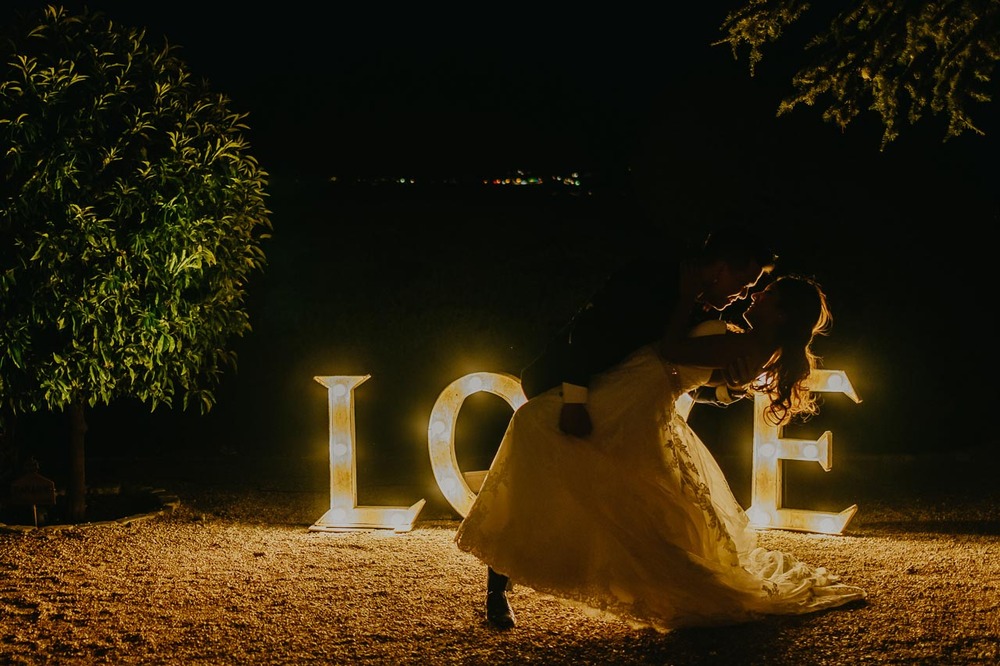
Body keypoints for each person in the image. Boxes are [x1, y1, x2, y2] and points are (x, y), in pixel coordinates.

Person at [455, 273, 867, 631]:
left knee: (541, 440)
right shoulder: (744, 343)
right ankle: (500, 581)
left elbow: (672, 352)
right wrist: (728, 386)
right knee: (549, 450)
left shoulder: (742, 344)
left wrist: (688, 297)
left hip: (631, 404)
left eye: (768, 294)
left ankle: (501, 579)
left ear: (781, 314)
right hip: (629, 395)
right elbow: (706, 380)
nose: (754, 295)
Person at [475, 224, 778, 628]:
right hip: (579, 388)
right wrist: (577, 400)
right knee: (530, 453)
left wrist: (728, 390)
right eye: (747, 281)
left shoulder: (702, 307)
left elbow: (670, 375)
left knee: (633, 506)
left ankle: (662, 586)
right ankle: (497, 588)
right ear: (721, 267)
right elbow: (587, 333)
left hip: (630, 415)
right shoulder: (650, 278)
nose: (745, 294)